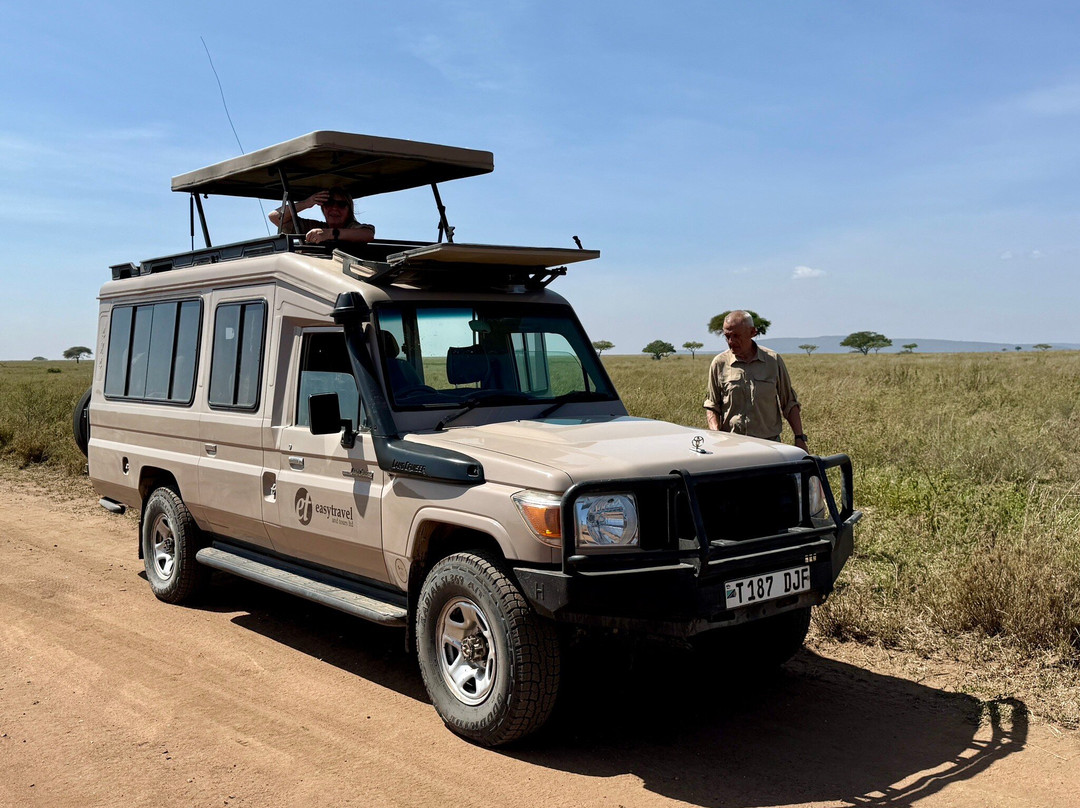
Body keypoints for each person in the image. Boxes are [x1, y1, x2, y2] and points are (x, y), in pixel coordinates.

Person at [703, 310, 808, 452]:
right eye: (727, 336)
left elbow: (789, 403)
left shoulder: (773, 360)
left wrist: (799, 438)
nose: (731, 342)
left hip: (768, 445)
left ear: (753, 333)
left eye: (736, 336)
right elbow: (712, 406)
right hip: (732, 446)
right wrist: (717, 436)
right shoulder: (719, 363)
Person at [268, 187, 375, 245]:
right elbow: (275, 217)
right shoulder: (316, 227)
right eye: (329, 203)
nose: (334, 208)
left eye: (341, 205)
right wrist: (306, 203)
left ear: (349, 210)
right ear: (323, 208)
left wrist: (329, 234)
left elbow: (367, 234)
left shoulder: (351, 227)